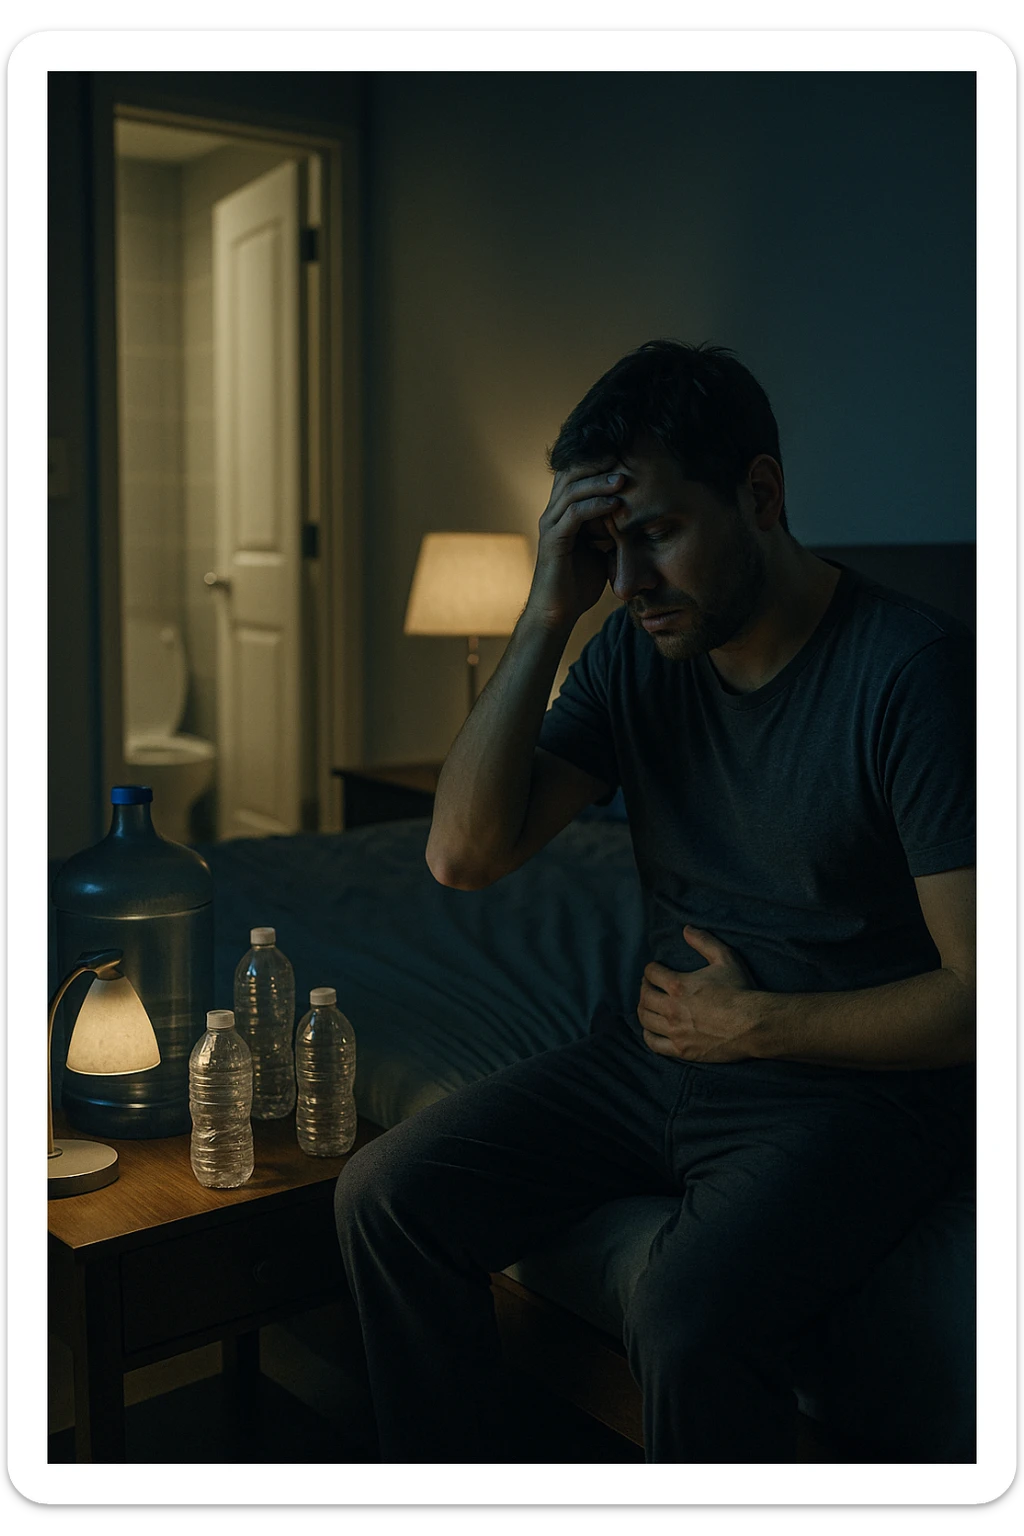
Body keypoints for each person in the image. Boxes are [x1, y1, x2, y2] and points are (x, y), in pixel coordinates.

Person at [334, 339, 976, 1463]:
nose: (629, 585)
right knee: (384, 1195)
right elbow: (461, 856)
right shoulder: (636, 652)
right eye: (604, 548)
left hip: (851, 1100)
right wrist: (545, 612)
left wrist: (757, 1025)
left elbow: (984, 1000)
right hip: (651, 1060)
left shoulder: (909, 673)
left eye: (658, 536)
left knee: (679, 1318)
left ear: (760, 496)